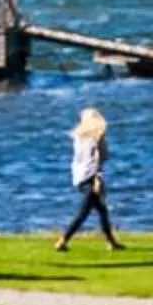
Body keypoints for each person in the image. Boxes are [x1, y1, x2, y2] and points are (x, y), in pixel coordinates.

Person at [55, 105, 122, 252]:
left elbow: (80, 160)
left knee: (102, 210)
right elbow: (97, 159)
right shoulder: (96, 137)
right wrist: (98, 177)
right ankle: (63, 240)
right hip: (91, 177)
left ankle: (111, 242)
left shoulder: (78, 137)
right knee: (83, 212)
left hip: (80, 177)